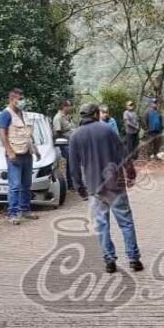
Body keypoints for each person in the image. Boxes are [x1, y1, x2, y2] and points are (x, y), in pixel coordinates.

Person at [69, 103, 143, 274]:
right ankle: (134, 259)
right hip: (115, 185)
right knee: (126, 223)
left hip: (95, 187)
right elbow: (124, 153)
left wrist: (79, 186)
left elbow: (73, 166)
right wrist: (130, 173)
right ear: (96, 114)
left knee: (102, 225)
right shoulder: (107, 130)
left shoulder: (75, 136)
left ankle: (109, 261)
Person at [0, 88, 42, 224]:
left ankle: (25, 210)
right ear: (12, 99)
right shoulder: (5, 114)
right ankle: (13, 213)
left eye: (23, 99)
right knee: (15, 186)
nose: (22, 101)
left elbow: (28, 134)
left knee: (26, 185)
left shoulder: (24, 114)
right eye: (20, 99)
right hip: (15, 154)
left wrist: (36, 150)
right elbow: (2, 134)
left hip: (27, 153)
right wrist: (9, 152)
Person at [53, 100, 77, 191]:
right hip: (64, 143)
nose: (71, 108)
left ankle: (75, 183)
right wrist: (68, 138)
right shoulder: (58, 117)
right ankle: (71, 184)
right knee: (71, 161)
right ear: (64, 106)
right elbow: (57, 133)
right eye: (69, 106)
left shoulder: (67, 117)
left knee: (75, 162)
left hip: (72, 143)